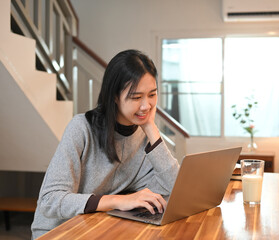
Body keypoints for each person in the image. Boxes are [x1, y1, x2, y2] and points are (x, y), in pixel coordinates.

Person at [31, 49, 180, 239]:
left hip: (101, 226)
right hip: (61, 230)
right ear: (115, 96)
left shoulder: (143, 134)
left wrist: (151, 128)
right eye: (136, 97)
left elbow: (174, 188)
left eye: (152, 95)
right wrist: (118, 201)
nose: (146, 105)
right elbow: (49, 200)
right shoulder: (81, 128)